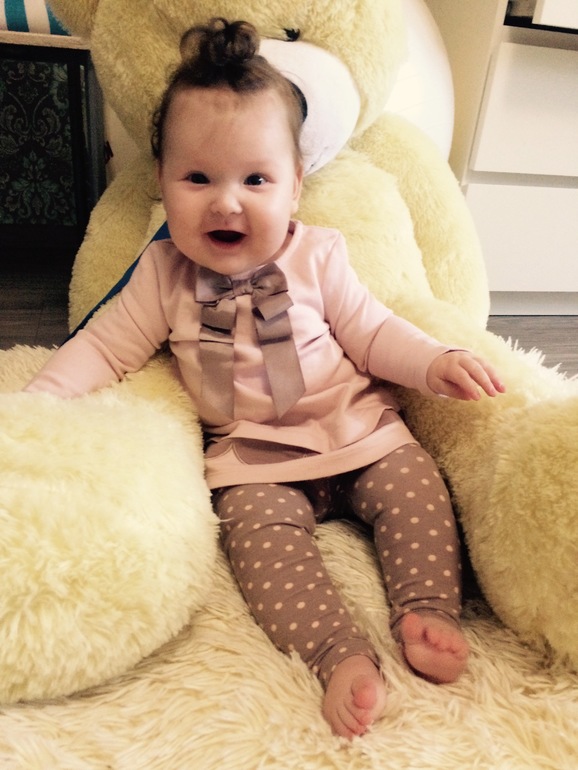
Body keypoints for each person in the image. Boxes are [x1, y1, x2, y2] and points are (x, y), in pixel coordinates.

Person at [23, 18, 505, 739]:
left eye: (256, 179)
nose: (227, 201)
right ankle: (337, 654)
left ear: (295, 186)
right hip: (254, 463)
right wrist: (41, 400)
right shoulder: (163, 275)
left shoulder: (319, 255)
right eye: (198, 178)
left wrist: (435, 361)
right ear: (161, 182)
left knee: (417, 489)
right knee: (260, 548)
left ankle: (427, 610)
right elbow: (105, 347)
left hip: (358, 431)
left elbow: (373, 332)